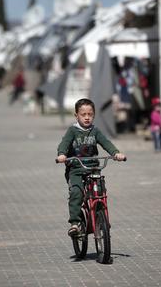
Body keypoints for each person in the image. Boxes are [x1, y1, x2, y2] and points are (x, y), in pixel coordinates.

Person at [56, 98, 126, 236]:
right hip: (76, 170)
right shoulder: (72, 131)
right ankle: (75, 223)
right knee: (77, 192)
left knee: (101, 192)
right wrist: (62, 154)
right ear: (76, 115)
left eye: (90, 114)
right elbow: (64, 144)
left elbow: (106, 143)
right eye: (83, 115)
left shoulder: (95, 131)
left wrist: (116, 153)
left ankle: (102, 219)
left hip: (93, 169)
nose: (87, 118)